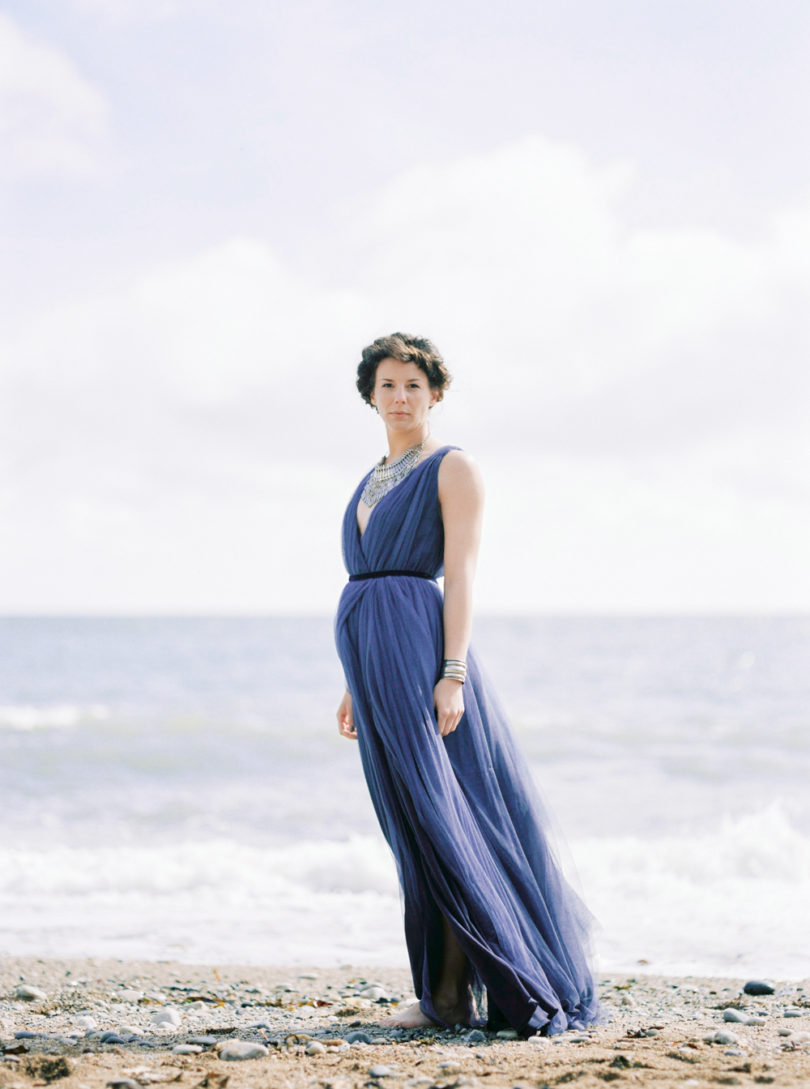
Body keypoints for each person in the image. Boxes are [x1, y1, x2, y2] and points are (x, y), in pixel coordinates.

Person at [334, 332, 600, 1037]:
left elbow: (462, 573)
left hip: (425, 657)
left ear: (435, 395)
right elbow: (368, 583)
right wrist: (354, 681)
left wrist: (451, 672)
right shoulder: (367, 479)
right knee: (412, 827)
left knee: (446, 817)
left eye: (413, 386)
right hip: (373, 659)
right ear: (369, 394)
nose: (399, 397)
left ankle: (467, 991)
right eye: (387, 385)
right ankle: (441, 992)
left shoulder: (452, 468)